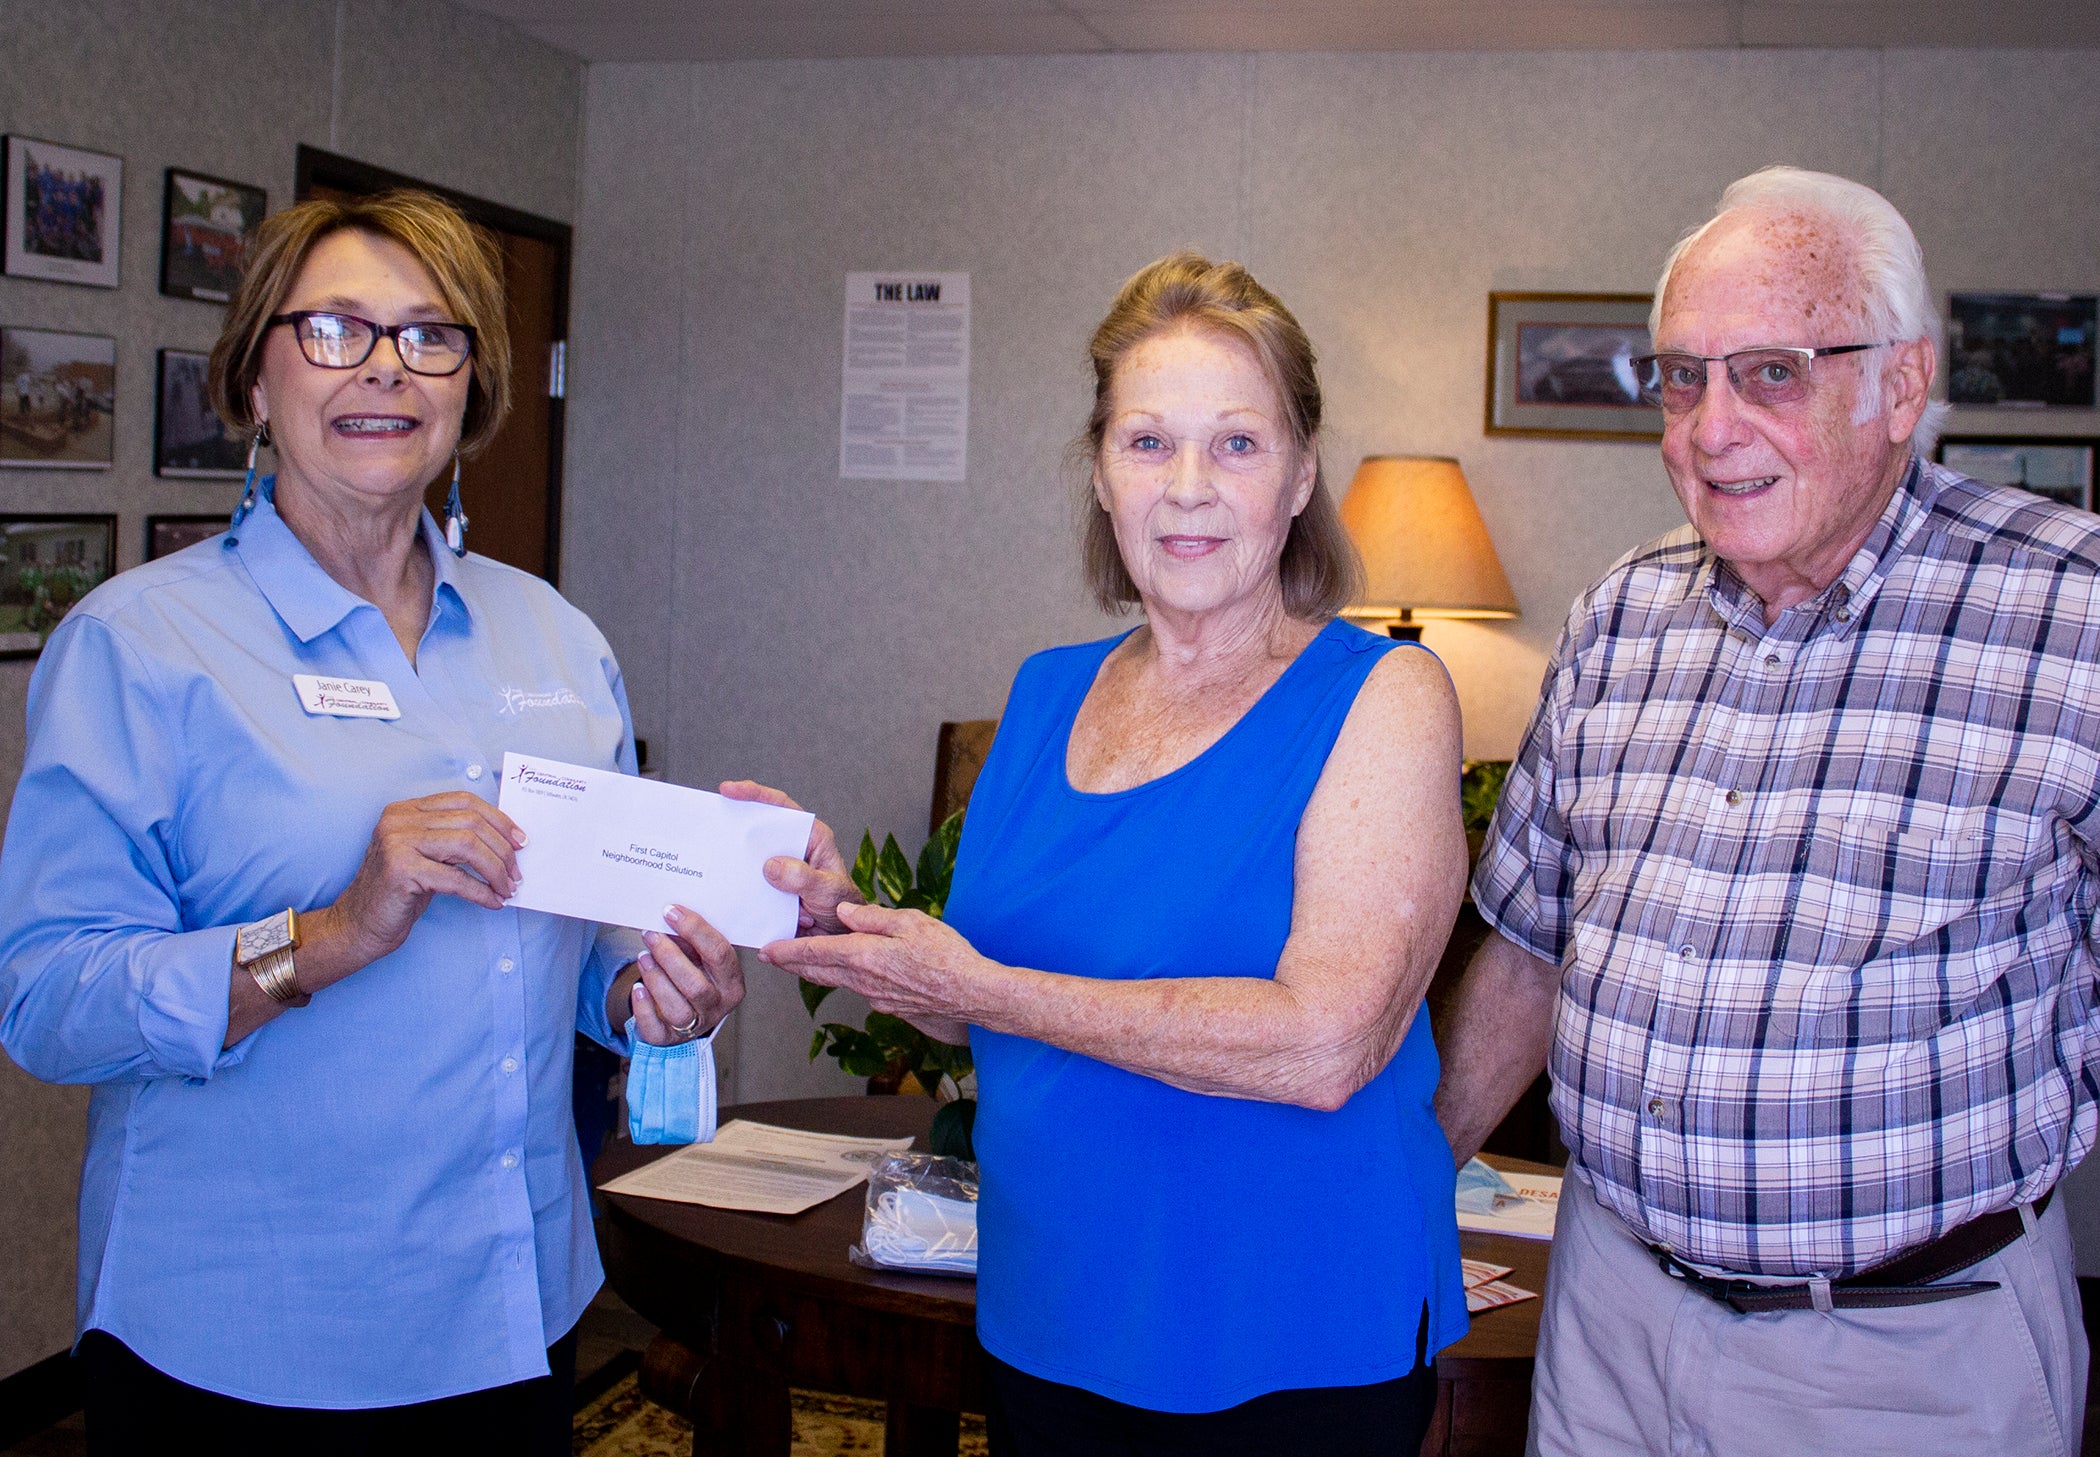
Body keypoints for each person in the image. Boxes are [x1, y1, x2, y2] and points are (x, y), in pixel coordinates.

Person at [0, 190, 751, 1452]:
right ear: (252, 377)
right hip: (247, 1338)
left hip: (513, 1308)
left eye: (429, 336)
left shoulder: (557, 640)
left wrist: (645, 995)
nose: (387, 369)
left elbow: (570, 948)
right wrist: (333, 931)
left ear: (472, 385)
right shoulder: (140, 645)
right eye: (338, 330)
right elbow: (49, 998)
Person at [1435, 165, 2096, 1456]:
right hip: (1609, 1318)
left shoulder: (2069, 617)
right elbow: (1527, 952)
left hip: (1914, 1352)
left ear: (1899, 385)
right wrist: (1400, 1182)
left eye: (1771, 374)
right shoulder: (1622, 614)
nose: (1709, 427)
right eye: (1682, 377)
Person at [764, 252, 1470, 1455]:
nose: (1188, 487)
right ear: (1099, 470)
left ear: (1302, 475)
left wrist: (983, 986)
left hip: (1290, 1331)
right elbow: (983, 1007)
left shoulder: (1385, 697)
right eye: (1148, 442)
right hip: (1054, 1306)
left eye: (1237, 444)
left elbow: (1325, 1043)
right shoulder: (1045, 695)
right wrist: (866, 936)